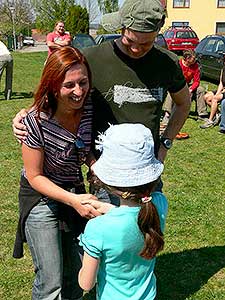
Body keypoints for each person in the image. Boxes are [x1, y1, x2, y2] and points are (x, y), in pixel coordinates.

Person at [12, 0, 191, 194]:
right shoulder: (91, 58)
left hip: (147, 171)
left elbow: (183, 104)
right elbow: (57, 92)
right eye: (129, 41)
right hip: (104, 173)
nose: (136, 50)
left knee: (148, 224)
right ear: (121, 28)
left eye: (146, 44)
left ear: (157, 33)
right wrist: (28, 114)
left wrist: (165, 144)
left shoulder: (168, 63)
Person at [12, 46, 100, 300]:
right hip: (41, 197)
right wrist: (73, 201)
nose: (79, 91)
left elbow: (84, 151)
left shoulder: (89, 106)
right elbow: (34, 176)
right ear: (53, 86)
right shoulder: (35, 121)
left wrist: (96, 170)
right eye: (69, 85)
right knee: (51, 281)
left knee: (76, 274)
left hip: (74, 190)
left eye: (83, 82)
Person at [78, 123, 168, 300]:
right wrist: (108, 209)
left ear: (110, 184)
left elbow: (86, 284)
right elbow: (133, 216)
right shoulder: (158, 204)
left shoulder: (97, 228)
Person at [162, 49, 208, 127]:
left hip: (187, 85)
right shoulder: (178, 64)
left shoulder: (195, 66)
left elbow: (196, 81)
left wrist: (190, 89)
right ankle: (167, 114)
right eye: (193, 59)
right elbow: (172, 78)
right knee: (172, 89)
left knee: (201, 89)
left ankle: (202, 114)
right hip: (176, 83)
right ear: (187, 59)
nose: (195, 60)